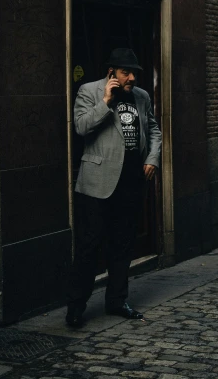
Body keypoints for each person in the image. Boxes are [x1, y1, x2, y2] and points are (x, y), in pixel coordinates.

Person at [65, 48, 162, 327]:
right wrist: (106, 101)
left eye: (134, 73)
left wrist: (153, 158)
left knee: (123, 245)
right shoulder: (89, 91)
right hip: (97, 184)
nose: (131, 77)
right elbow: (81, 127)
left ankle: (117, 300)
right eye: (125, 73)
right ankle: (75, 307)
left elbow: (153, 129)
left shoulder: (141, 96)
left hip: (131, 182)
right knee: (88, 246)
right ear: (111, 73)